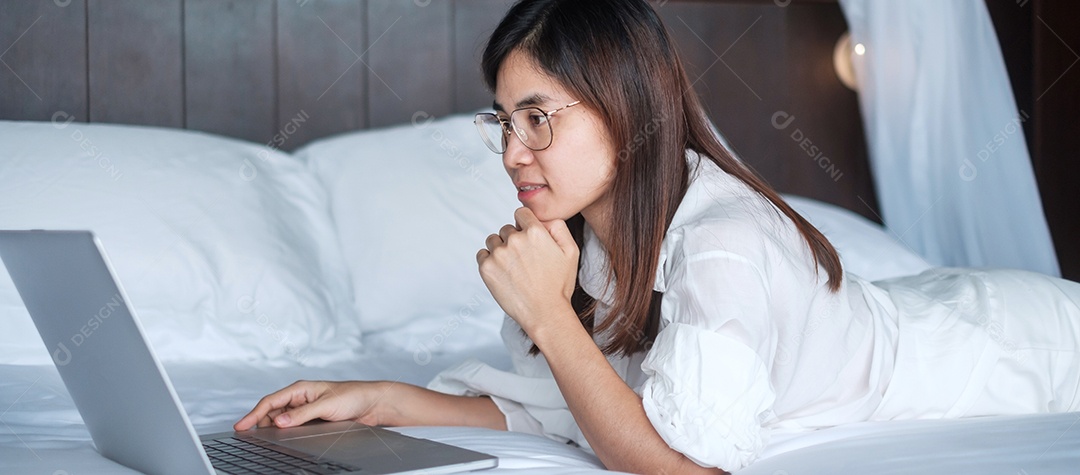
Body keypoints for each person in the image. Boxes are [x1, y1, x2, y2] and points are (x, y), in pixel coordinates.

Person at [234, 0, 1080, 472]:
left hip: (1012, 347)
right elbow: (567, 413)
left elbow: (684, 470)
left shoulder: (723, 242)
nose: (509, 152)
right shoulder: (584, 243)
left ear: (624, 112)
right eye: (502, 120)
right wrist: (376, 397)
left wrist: (551, 321)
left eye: (537, 119)